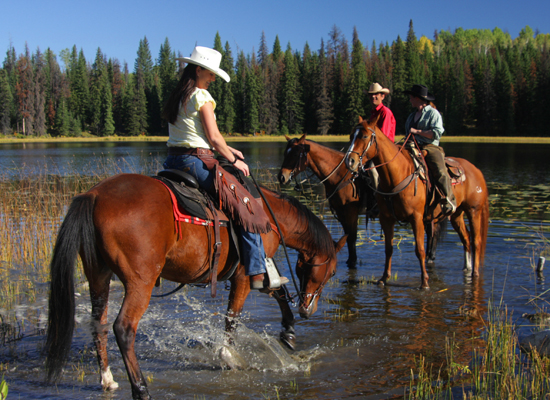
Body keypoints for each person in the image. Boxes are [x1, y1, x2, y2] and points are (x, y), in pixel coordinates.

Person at [162, 46, 287, 290]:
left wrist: (231, 151)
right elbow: (214, 137)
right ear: (198, 70)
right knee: (246, 205)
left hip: (173, 162)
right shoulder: (201, 96)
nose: (213, 78)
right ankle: (258, 272)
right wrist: (236, 160)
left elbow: (197, 134)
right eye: (210, 73)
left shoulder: (180, 95)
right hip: (197, 162)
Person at [403, 84, 457, 217]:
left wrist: (417, 132)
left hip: (430, 146)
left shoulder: (433, 113)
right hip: (411, 146)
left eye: (411, 97)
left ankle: (449, 200)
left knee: (439, 170)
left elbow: (436, 133)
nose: (410, 100)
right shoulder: (412, 115)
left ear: (418, 98)